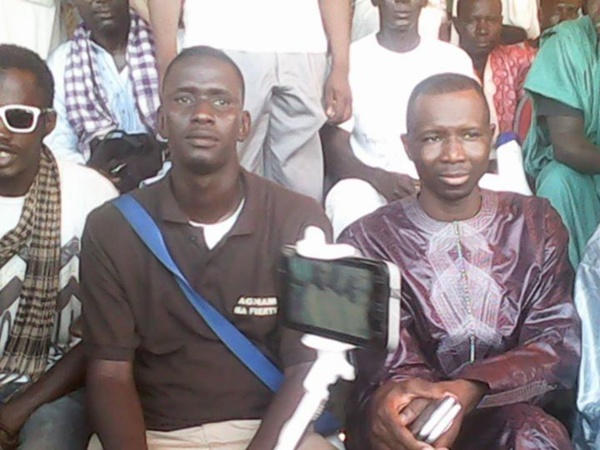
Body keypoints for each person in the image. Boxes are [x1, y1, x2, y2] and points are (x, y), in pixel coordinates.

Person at [81, 46, 336, 450]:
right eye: (184, 99)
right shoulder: (111, 227)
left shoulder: (300, 220)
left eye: (221, 100)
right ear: (162, 121)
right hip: (153, 435)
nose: (202, 112)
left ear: (244, 124)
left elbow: (307, 366)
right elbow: (110, 373)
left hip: (267, 432)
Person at [338, 73, 580, 450]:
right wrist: (429, 408)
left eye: (469, 135)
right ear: (408, 145)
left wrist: (468, 389)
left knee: (530, 434)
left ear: (490, 135)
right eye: (434, 138)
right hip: (411, 420)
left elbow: (555, 342)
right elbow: (387, 363)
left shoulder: (535, 225)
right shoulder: (367, 241)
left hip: (513, 418)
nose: (453, 155)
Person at [0, 44, 117, 449]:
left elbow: (111, 330)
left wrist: (20, 407)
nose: (1, 132)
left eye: (17, 118)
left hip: (56, 383)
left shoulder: (92, 197)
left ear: (47, 123)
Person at [145, 0, 352, 202]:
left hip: (304, 45)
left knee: (302, 187)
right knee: (222, 172)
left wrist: (340, 66)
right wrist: (167, 62)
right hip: (220, 40)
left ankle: (298, 235)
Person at [323, 0, 474, 238]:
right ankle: (362, 277)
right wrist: (378, 178)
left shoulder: (454, 60)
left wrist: (435, 182)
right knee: (348, 198)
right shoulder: (350, 60)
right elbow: (333, 145)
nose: (402, 2)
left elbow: (471, 136)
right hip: (371, 184)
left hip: (440, 182)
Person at [523, 0, 600, 268]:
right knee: (558, 181)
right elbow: (568, 147)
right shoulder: (565, 46)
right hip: (585, 182)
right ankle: (560, 298)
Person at [44, 0, 160, 167]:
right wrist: (94, 177)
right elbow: (59, 146)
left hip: (167, 182)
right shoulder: (62, 62)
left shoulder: (166, 48)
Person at [454, 0, 537, 136]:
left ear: (501, 23)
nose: (482, 30)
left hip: (509, 153)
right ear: (457, 24)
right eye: (473, 20)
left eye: (491, 21)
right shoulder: (444, 65)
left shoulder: (516, 60)